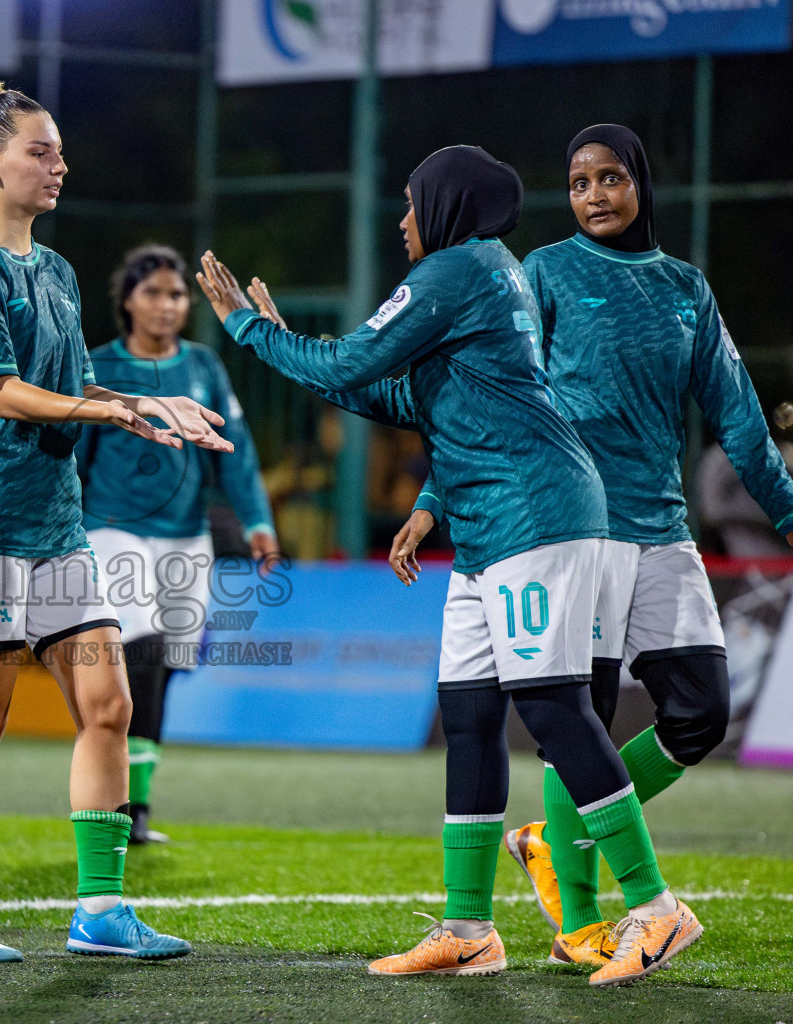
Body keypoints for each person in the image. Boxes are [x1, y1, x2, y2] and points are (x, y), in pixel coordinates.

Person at [197, 145, 698, 988]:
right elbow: (396, 394)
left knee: (552, 708)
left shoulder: (458, 268)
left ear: (447, 204)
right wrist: (280, 342)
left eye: (410, 203)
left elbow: (355, 362)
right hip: (483, 521)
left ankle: (655, 908)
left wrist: (254, 332)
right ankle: (469, 927)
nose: (402, 221)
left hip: (532, 513)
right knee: (468, 717)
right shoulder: (482, 271)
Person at [418, 126, 793, 970]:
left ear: (641, 181)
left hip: (662, 529)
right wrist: (432, 499)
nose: (595, 194)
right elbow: (489, 394)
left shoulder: (685, 289)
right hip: (573, 530)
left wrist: (789, 512)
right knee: (583, 719)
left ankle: (553, 843)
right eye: (577, 182)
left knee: (701, 710)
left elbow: (739, 413)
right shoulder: (545, 273)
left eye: (610, 178)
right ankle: (584, 919)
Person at [0, 73, 232, 964]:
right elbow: (6, 394)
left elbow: (68, 383)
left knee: (109, 702)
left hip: (56, 526)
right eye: (39, 152)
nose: (59, 166)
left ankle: (99, 911)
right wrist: (106, 414)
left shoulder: (54, 270)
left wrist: (145, 404)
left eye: (58, 151)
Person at [76, 243, 278, 845]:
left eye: (177, 294)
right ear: (127, 301)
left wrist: (258, 522)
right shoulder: (96, 366)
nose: (168, 305)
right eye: (154, 293)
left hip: (188, 538)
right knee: (141, 647)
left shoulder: (203, 366)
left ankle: (136, 804)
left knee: (163, 667)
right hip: (111, 530)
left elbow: (235, 453)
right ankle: (119, 805)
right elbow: (74, 456)